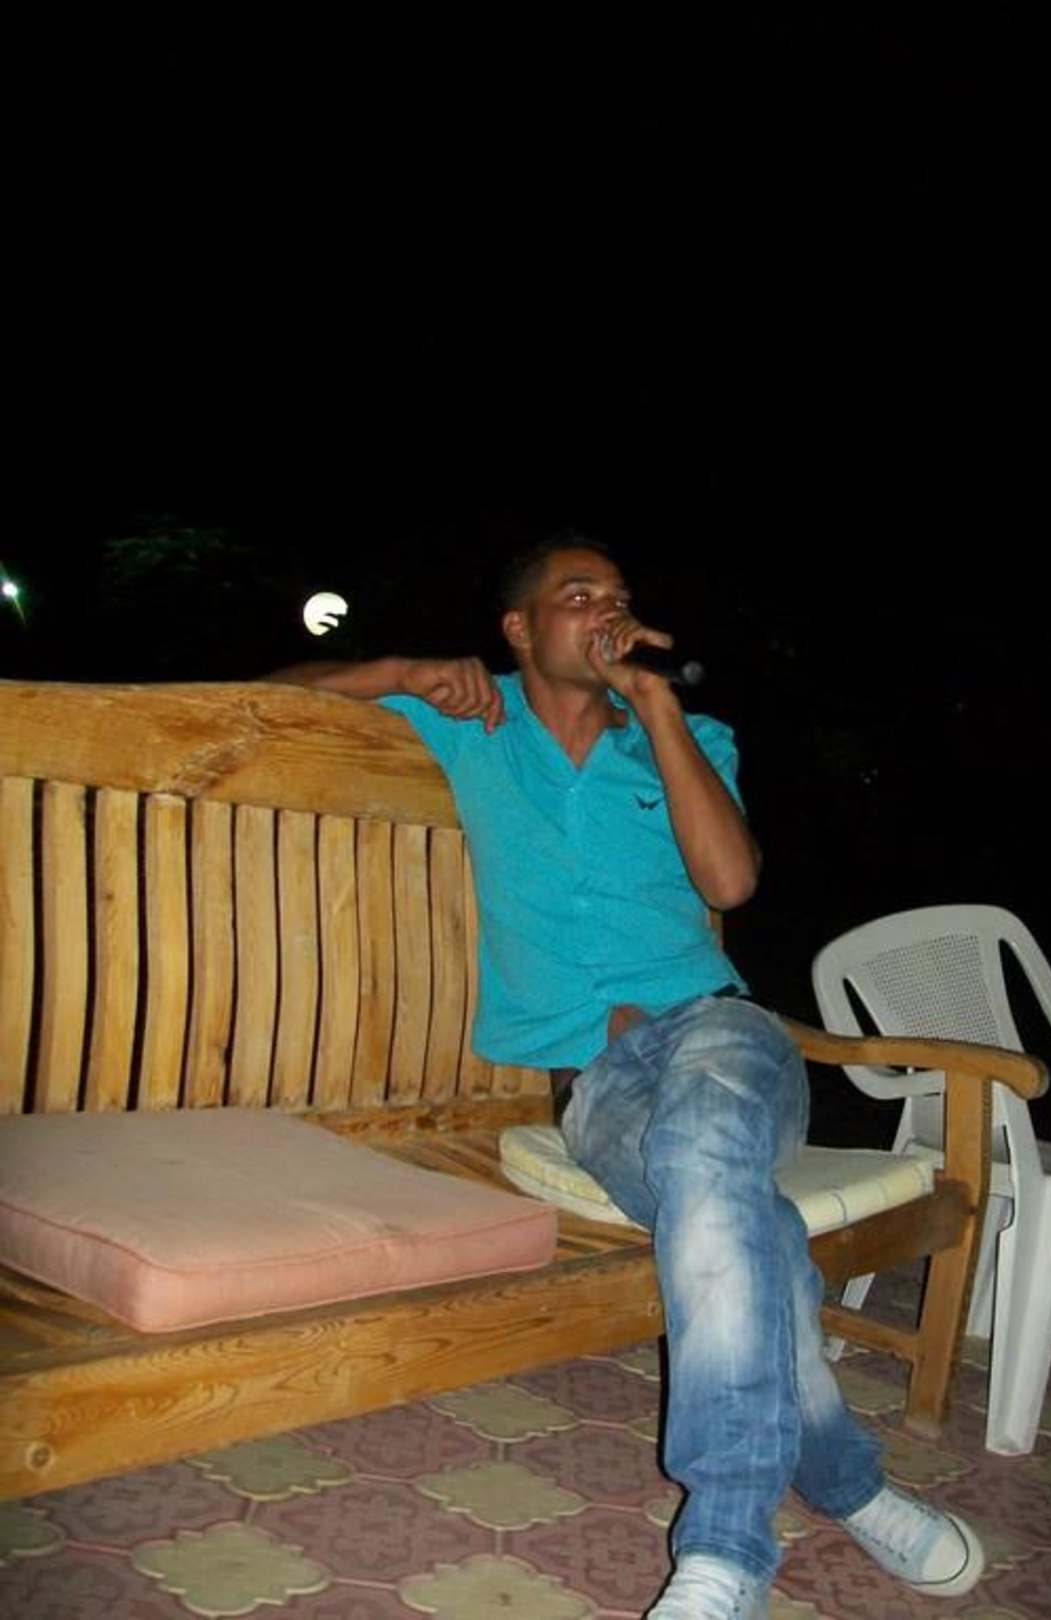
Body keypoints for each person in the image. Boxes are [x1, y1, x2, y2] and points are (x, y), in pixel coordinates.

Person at [270, 534, 985, 1617]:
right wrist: (400, 671)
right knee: (738, 1218)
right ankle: (849, 1481)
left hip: (722, 1032)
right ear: (519, 629)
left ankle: (725, 1555)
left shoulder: (685, 736)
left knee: (704, 1155)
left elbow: (730, 883)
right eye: (579, 595)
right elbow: (270, 694)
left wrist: (652, 704)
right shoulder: (471, 729)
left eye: (619, 596)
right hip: (597, 1082)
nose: (608, 610)